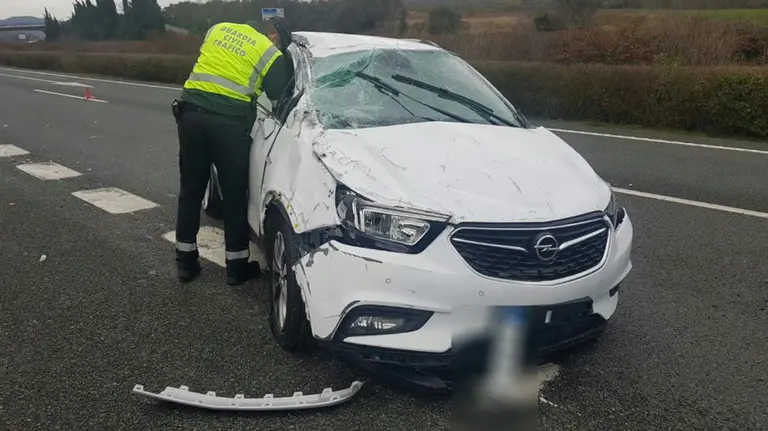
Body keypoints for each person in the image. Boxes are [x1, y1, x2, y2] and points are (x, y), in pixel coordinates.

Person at [172, 19, 292, 286]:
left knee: (191, 190)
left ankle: (185, 263)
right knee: (235, 194)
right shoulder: (268, 51)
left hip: (190, 115)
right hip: (228, 124)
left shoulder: (218, 28)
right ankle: (236, 267)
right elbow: (280, 98)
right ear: (274, 36)